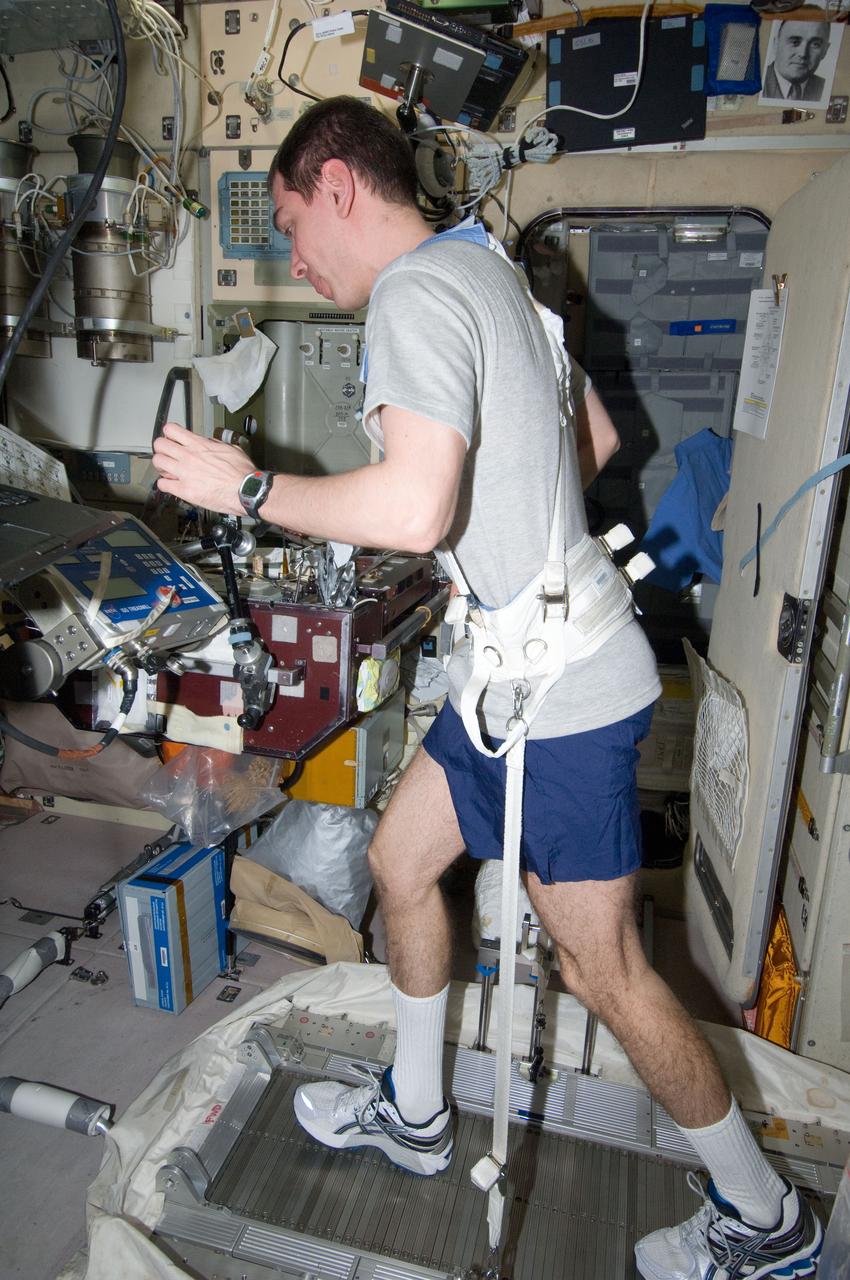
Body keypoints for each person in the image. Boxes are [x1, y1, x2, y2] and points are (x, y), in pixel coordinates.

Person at [151, 96, 823, 1280]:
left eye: (294, 223)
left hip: (557, 694)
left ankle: (765, 1220)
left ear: (342, 187)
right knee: (400, 860)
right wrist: (503, 524)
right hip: (512, 673)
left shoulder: (415, 294)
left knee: (601, 966)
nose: (289, 254)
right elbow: (595, 444)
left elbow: (412, 508)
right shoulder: (489, 267)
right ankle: (416, 1117)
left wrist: (249, 491)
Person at [763, 20, 830, 103]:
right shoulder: (758, 82)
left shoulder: (827, 88)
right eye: (795, 42)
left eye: (815, 44)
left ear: (825, 51)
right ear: (776, 43)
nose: (803, 54)